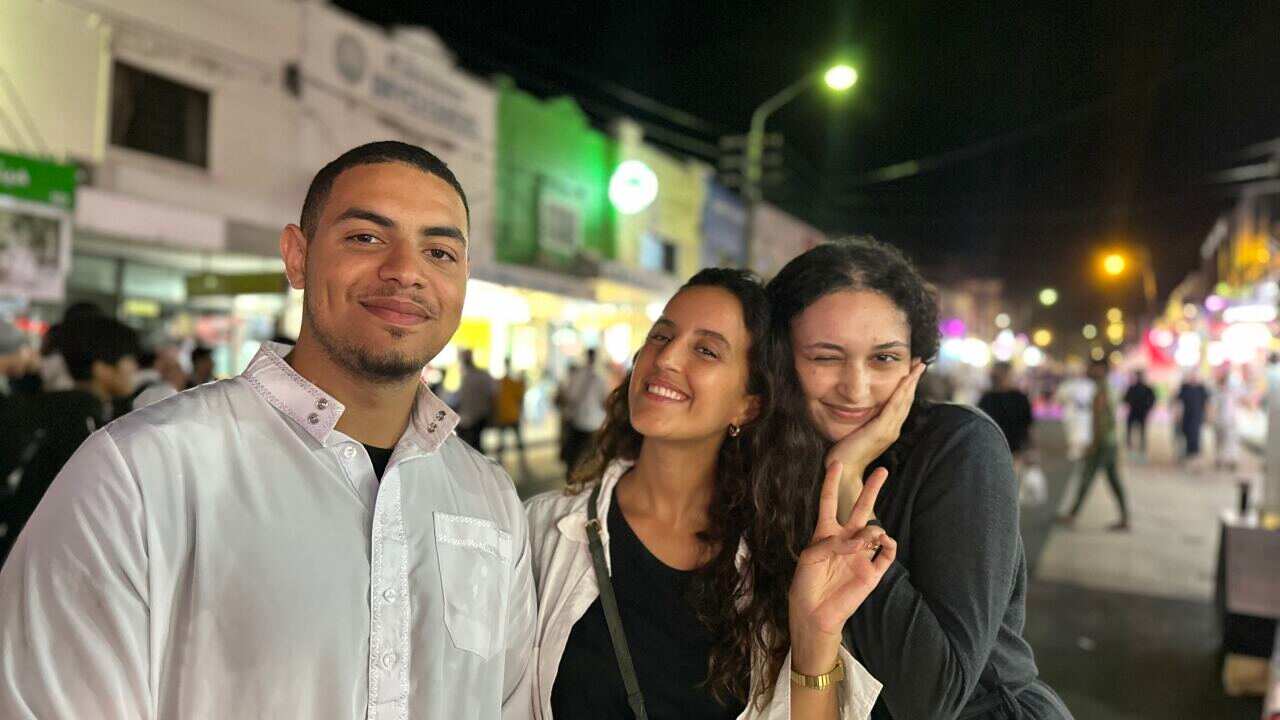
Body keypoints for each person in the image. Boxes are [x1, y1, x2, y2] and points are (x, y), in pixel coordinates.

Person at [0, 141, 534, 718]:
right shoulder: (140, 473)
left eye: (439, 252)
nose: (406, 271)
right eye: (366, 238)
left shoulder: (490, 498)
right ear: (297, 256)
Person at [526, 269, 890, 720]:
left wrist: (815, 632)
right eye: (661, 335)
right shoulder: (542, 531)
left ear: (748, 404)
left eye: (705, 350)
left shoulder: (776, 559)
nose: (666, 358)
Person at [768, 238, 1072, 720]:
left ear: (916, 363)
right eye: (826, 357)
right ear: (782, 358)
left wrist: (847, 482)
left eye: (883, 359)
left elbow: (933, 698)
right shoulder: (776, 457)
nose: (856, 387)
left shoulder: (960, 447)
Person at [0, 315, 140, 563]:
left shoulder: (54, 406)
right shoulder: (84, 422)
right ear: (102, 369)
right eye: (128, 360)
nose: (134, 369)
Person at [1060, 357, 1129, 531]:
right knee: (1104, 478)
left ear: (1101, 369)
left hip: (1103, 442)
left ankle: (1073, 514)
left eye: (1092, 368)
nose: (1089, 370)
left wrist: (1094, 443)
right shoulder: (1108, 387)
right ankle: (1123, 517)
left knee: (1091, 477)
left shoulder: (1101, 389)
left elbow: (1100, 420)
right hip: (1108, 441)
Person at [560, 348, 609, 472]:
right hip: (594, 424)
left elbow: (568, 396)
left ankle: (571, 476)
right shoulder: (600, 378)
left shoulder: (577, 375)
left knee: (574, 454)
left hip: (577, 421)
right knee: (590, 457)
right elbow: (604, 401)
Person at [978, 361, 1034, 458]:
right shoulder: (1019, 397)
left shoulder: (987, 398)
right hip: (1013, 449)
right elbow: (1028, 423)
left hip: (993, 449)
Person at [493, 357, 530, 475]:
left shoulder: (501, 382)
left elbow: (495, 399)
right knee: (517, 442)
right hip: (512, 416)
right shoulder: (510, 382)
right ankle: (523, 465)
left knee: (502, 443)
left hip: (504, 416)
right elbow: (520, 395)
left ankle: (499, 465)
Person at [455, 348, 497, 450]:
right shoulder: (482, 375)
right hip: (476, 416)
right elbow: (492, 395)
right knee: (475, 446)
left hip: (469, 418)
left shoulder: (463, 377)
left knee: (469, 447)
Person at [1212, 370, 1244, 472]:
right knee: (1221, 442)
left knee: (1230, 441)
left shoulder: (1233, 392)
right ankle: (1220, 459)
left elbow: (1243, 400)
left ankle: (1231, 460)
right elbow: (1213, 406)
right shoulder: (1218, 393)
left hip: (1231, 420)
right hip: (1221, 420)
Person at [1175, 371, 1209, 461]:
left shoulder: (1201, 388)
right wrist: (1178, 414)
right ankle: (1188, 453)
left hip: (1197, 415)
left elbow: (1206, 403)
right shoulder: (1184, 387)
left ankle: (1194, 454)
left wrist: (1207, 414)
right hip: (1186, 416)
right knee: (1186, 434)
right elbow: (1179, 402)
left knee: (1195, 435)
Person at [1121, 369, 1156, 455]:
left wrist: (1148, 409)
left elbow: (1152, 400)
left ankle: (1139, 445)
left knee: (1138, 429)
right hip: (1136, 411)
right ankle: (1135, 444)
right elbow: (1125, 399)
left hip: (1140, 412)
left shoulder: (1143, 388)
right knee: (1135, 429)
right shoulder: (1134, 387)